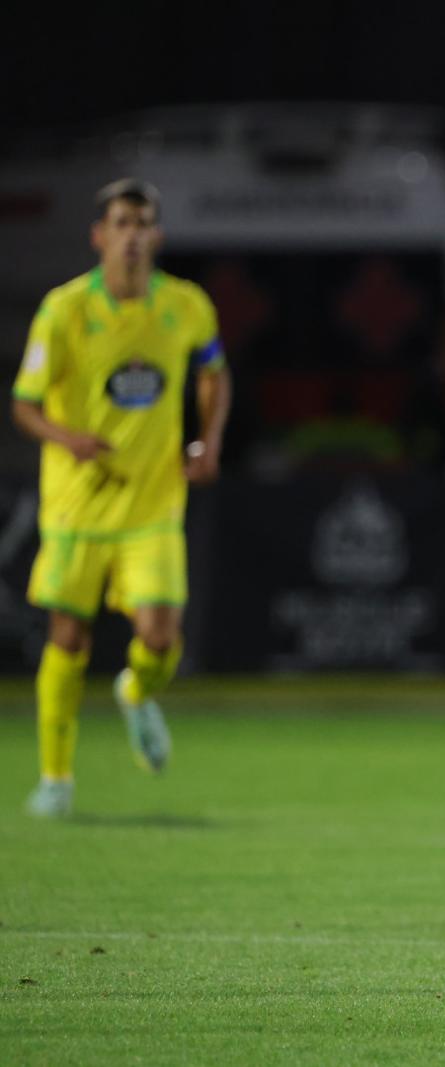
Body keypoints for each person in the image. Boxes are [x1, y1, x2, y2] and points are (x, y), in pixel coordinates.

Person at [13, 178, 232, 817]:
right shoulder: (64, 310)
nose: (132, 236)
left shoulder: (186, 307)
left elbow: (215, 374)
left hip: (152, 503)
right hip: (78, 504)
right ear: (99, 236)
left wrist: (209, 442)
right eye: (121, 223)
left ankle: (137, 691)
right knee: (68, 636)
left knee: (161, 637)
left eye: (143, 223)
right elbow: (23, 406)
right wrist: (66, 438)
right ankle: (56, 779)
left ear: (157, 236)